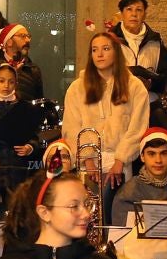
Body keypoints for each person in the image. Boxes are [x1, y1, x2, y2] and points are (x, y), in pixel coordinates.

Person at [61, 29, 151, 190]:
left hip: (120, 162)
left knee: (116, 210)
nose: (99, 54)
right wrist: (87, 160)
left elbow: (137, 127)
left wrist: (120, 160)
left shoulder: (134, 86)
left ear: (116, 52)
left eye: (106, 49)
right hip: (87, 163)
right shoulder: (77, 88)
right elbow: (71, 128)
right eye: (94, 50)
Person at [0, 61, 44, 174]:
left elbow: (36, 135)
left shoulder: (25, 108)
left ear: (16, 84)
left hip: (20, 167)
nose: (6, 85)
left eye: (11, 82)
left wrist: (30, 146)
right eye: (1, 81)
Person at [108, 0, 167, 87]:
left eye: (139, 10)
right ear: (122, 14)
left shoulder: (155, 42)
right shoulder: (110, 40)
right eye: (129, 9)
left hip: (149, 100)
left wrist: (150, 83)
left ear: (144, 14)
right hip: (118, 100)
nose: (134, 14)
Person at [110, 126, 167, 225]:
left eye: (164, 153)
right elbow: (123, 232)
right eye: (151, 154)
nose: (158, 160)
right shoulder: (129, 191)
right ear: (142, 157)